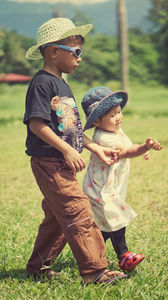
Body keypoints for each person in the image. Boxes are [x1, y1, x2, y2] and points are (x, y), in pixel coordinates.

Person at [23, 17, 127, 285]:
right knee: (77, 209)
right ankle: (95, 271)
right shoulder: (42, 83)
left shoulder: (62, 84)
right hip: (49, 160)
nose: (80, 58)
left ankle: (38, 267)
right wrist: (66, 151)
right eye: (76, 52)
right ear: (54, 51)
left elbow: (71, 130)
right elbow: (37, 124)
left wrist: (95, 148)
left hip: (61, 161)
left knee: (58, 218)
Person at [81, 86, 163, 272]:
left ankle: (91, 254)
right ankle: (124, 256)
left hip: (110, 188)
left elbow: (128, 145)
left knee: (107, 226)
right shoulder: (103, 138)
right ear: (96, 121)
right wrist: (143, 148)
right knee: (117, 219)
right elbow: (127, 151)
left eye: (118, 112)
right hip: (100, 190)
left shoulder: (116, 131)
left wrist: (142, 150)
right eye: (112, 115)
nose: (118, 117)